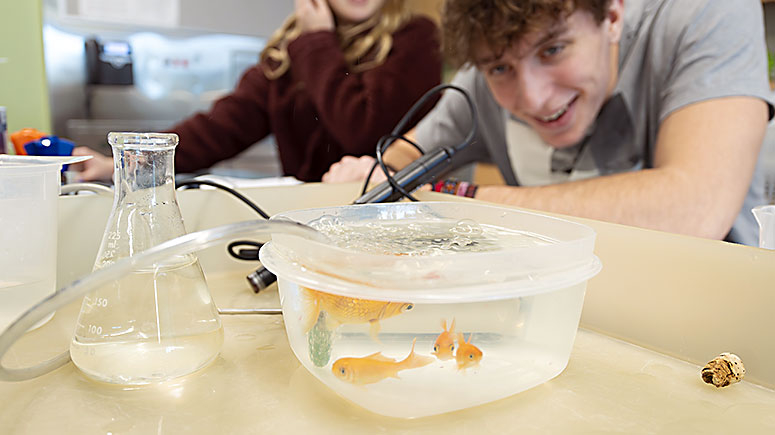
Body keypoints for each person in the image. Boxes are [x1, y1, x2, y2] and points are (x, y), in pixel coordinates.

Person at [323, 0, 774, 246]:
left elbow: (695, 208)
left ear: (612, 15)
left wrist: (465, 198)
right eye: (501, 68)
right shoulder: (480, 83)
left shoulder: (707, 14)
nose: (533, 98)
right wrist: (370, 173)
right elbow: (407, 157)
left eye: (553, 50)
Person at [73, 0, 441, 182]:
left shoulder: (416, 39)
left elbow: (366, 131)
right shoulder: (290, 53)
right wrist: (125, 163)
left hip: (395, 224)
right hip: (315, 229)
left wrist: (316, 40)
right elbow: (218, 130)